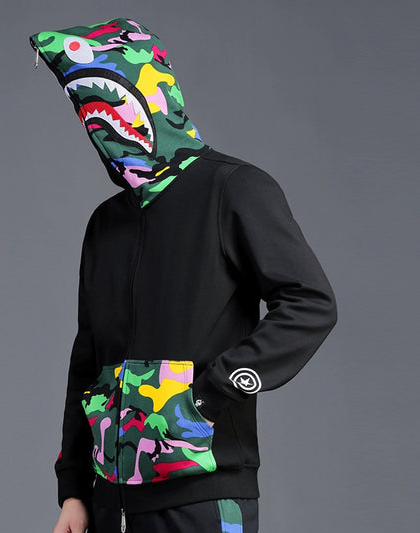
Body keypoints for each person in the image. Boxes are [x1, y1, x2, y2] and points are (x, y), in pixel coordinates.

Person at [29, 17, 338, 533]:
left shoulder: (234, 189)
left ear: (152, 93)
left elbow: (311, 304)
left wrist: (210, 393)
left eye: (102, 100)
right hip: (110, 503)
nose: (95, 122)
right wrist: (74, 491)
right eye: (83, 108)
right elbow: (87, 359)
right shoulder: (106, 223)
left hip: (204, 495)